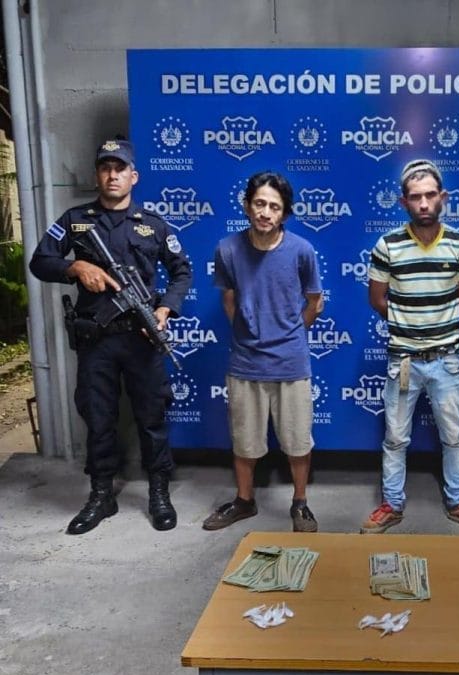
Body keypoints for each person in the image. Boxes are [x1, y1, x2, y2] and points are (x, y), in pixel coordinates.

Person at [30, 138, 191, 534]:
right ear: (97, 175)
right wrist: (75, 268)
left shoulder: (153, 224)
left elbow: (182, 271)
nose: (113, 175)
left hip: (141, 337)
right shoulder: (75, 220)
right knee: (99, 417)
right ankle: (101, 494)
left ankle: (158, 492)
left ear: (134, 176)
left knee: (151, 417)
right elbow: (40, 261)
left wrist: (164, 309)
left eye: (120, 169)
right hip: (96, 340)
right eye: (106, 168)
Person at [360, 159, 459, 535]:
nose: (423, 203)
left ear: (443, 197)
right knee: (395, 438)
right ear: (403, 202)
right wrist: (409, 324)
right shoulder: (387, 245)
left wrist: (432, 325)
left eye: (430, 195)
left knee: (454, 437)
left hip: (446, 360)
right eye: (415, 197)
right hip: (402, 360)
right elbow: (377, 299)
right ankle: (392, 504)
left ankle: (458, 502)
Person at [202, 171, 323, 532]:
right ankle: (244, 501)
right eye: (259, 204)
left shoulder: (302, 250)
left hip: (291, 363)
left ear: (284, 213)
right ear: (246, 205)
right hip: (245, 363)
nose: (265, 212)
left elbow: (314, 303)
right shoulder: (227, 249)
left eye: (274, 206)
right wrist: (247, 333)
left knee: (298, 441)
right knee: (244, 441)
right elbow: (228, 300)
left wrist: (290, 335)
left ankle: (300, 503)